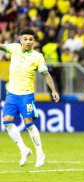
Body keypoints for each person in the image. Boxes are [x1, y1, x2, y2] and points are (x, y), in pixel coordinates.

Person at [0, 28, 60, 167]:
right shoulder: (14, 48)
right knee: (7, 122)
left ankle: (40, 153)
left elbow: (46, 74)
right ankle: (24, 149)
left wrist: (53, 90)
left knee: (28, 124)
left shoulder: (38, 56)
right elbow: (1, 45)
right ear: (20, 39)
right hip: (12, 93)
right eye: (25, 39)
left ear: (34, 41)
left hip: (26, 94)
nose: (27, 42)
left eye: (30, 39)